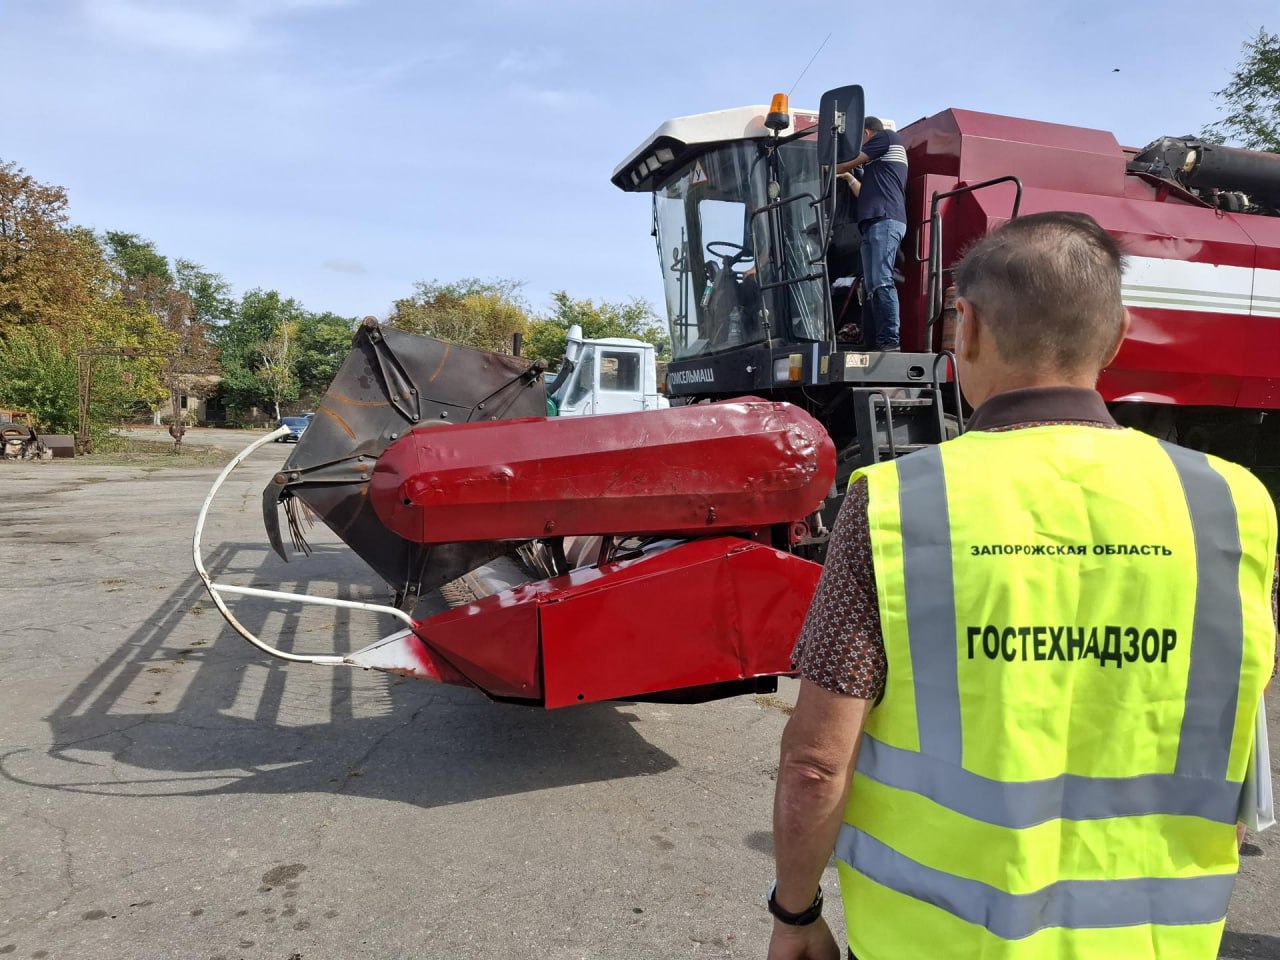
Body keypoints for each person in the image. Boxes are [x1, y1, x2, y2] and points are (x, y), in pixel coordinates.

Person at [765, 211, 1278, 960]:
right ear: (1118, 333)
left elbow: (816, 763)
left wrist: (795, 912)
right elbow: (1242, 731)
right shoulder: (1235, 504)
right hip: (1158, 941)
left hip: (937, 942)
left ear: (963, 328)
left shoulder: (900, 504)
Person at [835, 118, 907, 351]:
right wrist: (848, 178)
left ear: (866, 133)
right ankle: (874, 338)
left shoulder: (886, 137)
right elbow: (864, 193)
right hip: (874, 223)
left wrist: (831, 168)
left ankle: (890, 339)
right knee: (871, 285)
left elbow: (851, 162)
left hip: (885, 221)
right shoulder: (879, 167)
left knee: (881, 281)